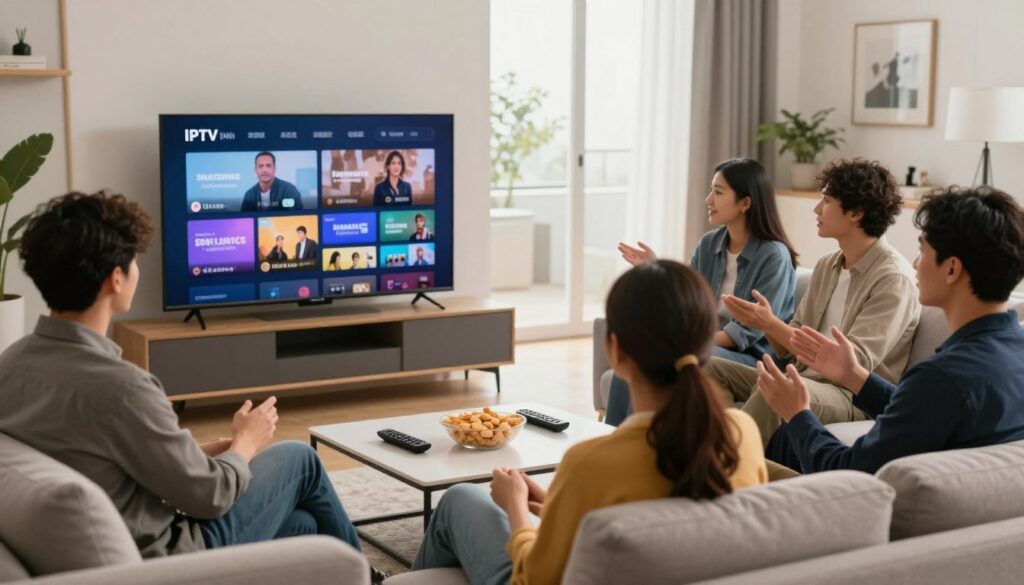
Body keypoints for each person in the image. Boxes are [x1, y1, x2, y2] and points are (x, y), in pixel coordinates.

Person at [0, 192, 369, 569]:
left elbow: (101, 452)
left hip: (123, 535)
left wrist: (195, 452)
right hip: (175, 558)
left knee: (302, 525)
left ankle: (348, 573)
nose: (137, 272)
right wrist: (245, 442)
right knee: (300, 458)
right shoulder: (123, 388)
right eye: (134, 261)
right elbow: (210, 496)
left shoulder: (11, 364)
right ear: (115, 279)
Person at [410, 260, 767, 585]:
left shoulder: (590, 462)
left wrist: (515, 506)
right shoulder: (742, 433)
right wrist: (556, 506)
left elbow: (536, 578)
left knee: (459, 498)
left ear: (616, 350)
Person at [757, 186, 1024, 474]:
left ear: (951, 269)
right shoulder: (1008, 355)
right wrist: (856, 377)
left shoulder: (941, 378)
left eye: (922, 250)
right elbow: (923, 411)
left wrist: (797, 414)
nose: (915, 263)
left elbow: (847, 470)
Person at [707, 158, 921, 448]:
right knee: (708, 369)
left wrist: (771, 324)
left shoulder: (893, 279)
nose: (817, 209)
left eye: (826, 201)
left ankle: (723, 463)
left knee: (780, 390)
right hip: (805, 377)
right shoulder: (828, 266)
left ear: (856, 213)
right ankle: (725, 449)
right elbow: (786, 348)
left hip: (849, 394)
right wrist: (766, 323)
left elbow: (851, 364)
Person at [607, 158, 798, 426]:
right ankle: (615, 443)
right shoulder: (710, 244)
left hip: (751, 356)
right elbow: (687, 303)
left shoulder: (773, 256)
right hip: (705, 342)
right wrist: (656, 269)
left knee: (687, 360)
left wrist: (688, 342)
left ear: (745, 203)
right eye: (711, 190)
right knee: (635, 359)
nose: (709, 199)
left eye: (718, 192)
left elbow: (746, 332)